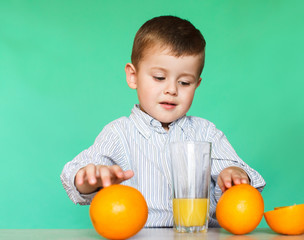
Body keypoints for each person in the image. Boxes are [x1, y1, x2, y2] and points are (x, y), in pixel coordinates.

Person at [60, 15, 266, 227]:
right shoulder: (119, 133)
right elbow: (75, 175)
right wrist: (86, 180)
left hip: (198, 234)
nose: (172, 89)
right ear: (133, 76)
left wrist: (235, 175)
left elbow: (239, 174)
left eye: (185, 82)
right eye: (159, 77)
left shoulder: (206, 133)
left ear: (197, 84)